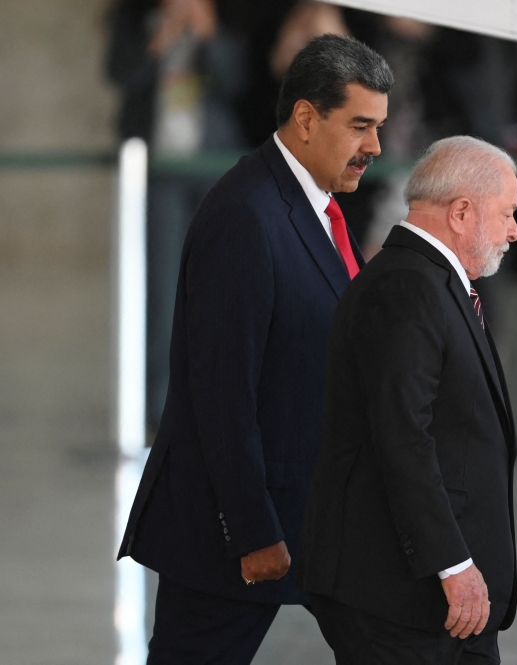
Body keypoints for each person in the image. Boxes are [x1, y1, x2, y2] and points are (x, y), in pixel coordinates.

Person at [116, 35, 393, 663]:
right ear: (305, 118)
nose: (374, 147)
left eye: (378, 128)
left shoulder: (308, 205)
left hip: (312, 520)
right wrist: (252, 533)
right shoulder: (246, 217)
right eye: (359, 126)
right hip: (233, 540)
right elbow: (221, 394)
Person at [298, 136, 517, 664]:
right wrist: (452, 565)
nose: (515, 231)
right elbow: (403, 437)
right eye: (508, 213)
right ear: (462, 212)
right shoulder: (406, 287)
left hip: (436, 600)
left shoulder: (434, 282)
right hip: (400, 596)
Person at [106, 0, 248, 430]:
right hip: (159, 170)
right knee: (163, 290)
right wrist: (160, 38)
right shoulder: (135, 17)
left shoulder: (229, 16)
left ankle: (222, 405)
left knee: (222, 288)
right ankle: (161, 411)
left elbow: (239, 83)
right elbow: (119, 75)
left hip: (213, 168)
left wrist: (209, 34)